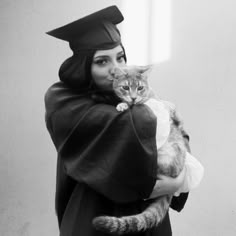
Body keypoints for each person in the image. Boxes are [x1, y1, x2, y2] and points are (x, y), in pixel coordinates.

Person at [45, 5, 189, 236]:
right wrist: (162, 108)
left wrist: (178, 181)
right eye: (102, 61)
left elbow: (177, 138)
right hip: (94, 210)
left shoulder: (126, 89)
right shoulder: (63, 99)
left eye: (120, 57)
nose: (116, 69)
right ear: (84, 65)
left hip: (145, 215)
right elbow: (135, 127)